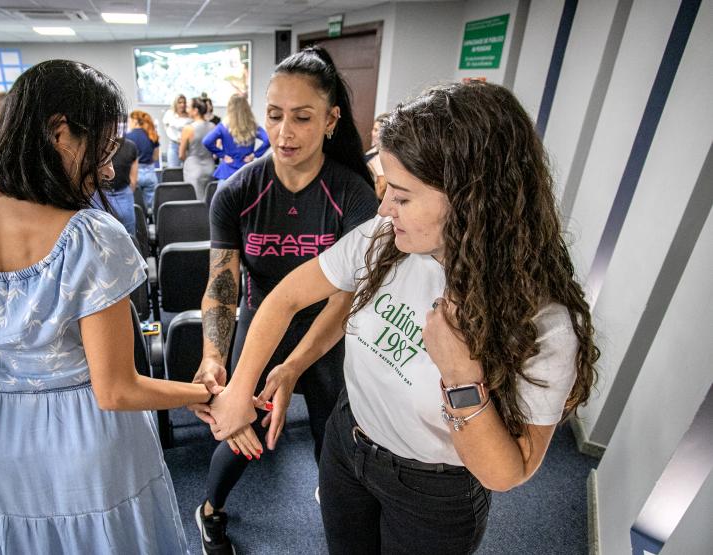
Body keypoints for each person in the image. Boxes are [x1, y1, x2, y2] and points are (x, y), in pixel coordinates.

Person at [208, 81, 600, 554]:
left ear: (471, 201)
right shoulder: (384, 238)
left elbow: (505, 472)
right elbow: (286, 297)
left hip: (433, 490)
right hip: (349, 444)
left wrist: (461, 377)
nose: (384, 207)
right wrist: (241, 388)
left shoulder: (544, 323)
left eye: (403, 195)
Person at [0, 60, 219, 554]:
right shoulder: (90, 235)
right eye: (104, 149)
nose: (109, 169)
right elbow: (116, 389)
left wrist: (6, 409)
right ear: (60, 133)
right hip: (87, 431)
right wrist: (203, 396)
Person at [189, 46, 379, 555]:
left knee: (331, 444)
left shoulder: (354, 196)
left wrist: (295, 366)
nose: (284, 132)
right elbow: (222, 285)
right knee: (237, 434)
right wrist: (214, 356)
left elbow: (346, 298)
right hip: (260, 328)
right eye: (274, 115)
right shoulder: (236, 192)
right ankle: (209, 510)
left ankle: (335, 513)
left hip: (327, 337)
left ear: (331, 120)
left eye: (302, 117)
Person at [203, 94, 270, 188]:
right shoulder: (253, 126)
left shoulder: (223, 126)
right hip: (247, 170)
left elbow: (206, 141)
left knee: (223, 197)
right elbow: (268, 139)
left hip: (227, 171)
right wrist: (255, 154)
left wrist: (222, 155)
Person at [91, 135, 138, 234]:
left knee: (101, 234)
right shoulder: (130, 145)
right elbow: (134, 178)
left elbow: (133, 179)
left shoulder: (130, 146)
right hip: (103, 194)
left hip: (119, 193)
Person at [179, 96, 216, 200]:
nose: (186, 109)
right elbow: (216, 149)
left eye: (189, 107)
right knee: (209, 200)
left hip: (193, 167)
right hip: (210, 167)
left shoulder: (188, 129)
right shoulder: (213, 126)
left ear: (195, 110)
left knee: (195, 202)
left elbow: (181, 155)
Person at [125, 110, 160, 210]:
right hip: (150, 175)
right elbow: (156, 157)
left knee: (136, 208)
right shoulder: (152, 135)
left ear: (135, 121)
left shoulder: (127, 137)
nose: (129, 124)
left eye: (130, 121)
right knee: (151, 209)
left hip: (134, 175)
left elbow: (126, 158)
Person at [363, 113, 388, 200]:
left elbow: (380, 193)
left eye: (380, 131)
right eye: (375, 129)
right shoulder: (372, 151)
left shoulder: (387, 156)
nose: (376, 134)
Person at [162, 94, 191, 167]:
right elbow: (166, 127)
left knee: (188, 168)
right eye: (180, 102)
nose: (182, 105)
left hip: (187, 146)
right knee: (173, 168)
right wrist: (173, 137)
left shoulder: (189, 115)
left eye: (184, 102)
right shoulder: (170, 114)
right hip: (174, 145)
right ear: (175, 103)